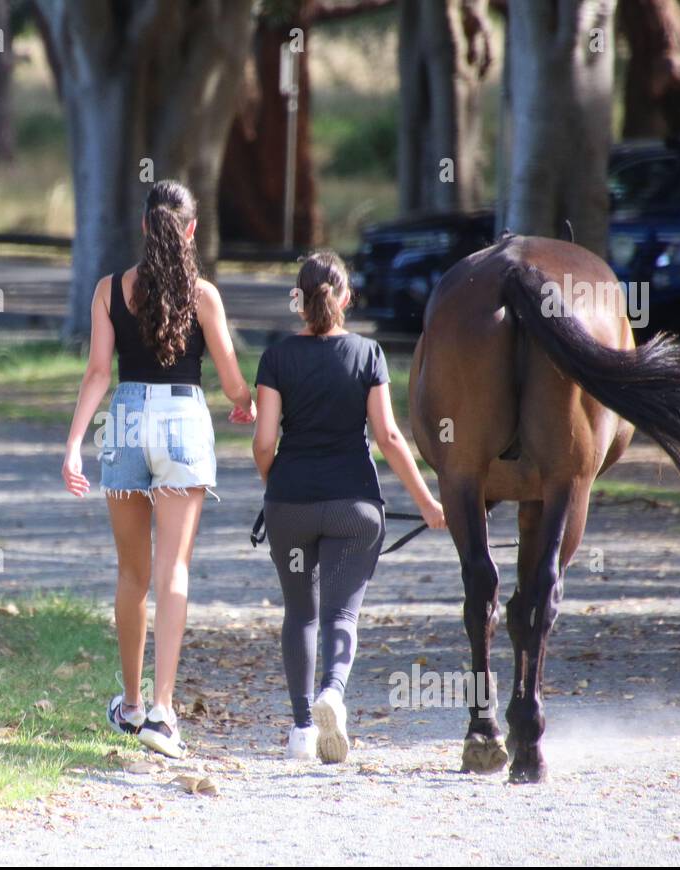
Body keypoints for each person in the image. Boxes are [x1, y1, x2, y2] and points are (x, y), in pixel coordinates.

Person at [62, 180, 255, 758]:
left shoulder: (108, 290)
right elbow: (230, 382)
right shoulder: (204, 296)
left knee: (132, 576)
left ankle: (130, 704)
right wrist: (250, 403)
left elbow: (98, 372)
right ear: (191, 229)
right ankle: (164, 714)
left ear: (146, 227)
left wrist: (73, 444)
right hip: (182, 421)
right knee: (174, 571)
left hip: (123, 422)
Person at [252, 250, 445, 763]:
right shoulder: (368, 354)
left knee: (300, 613)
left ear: (300, 300)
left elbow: (263, 442)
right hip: (354, 508)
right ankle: (333, 693)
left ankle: (299, 731)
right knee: (342, 614)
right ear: (346, 297)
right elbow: (388, 436)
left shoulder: (276, 357)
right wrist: (428, 501)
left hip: (289, 505)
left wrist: (279, 488)